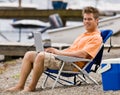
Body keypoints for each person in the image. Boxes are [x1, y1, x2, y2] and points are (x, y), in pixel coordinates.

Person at [6, 6, 102, 92]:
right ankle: (20, 85)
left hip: (73, 65)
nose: (86, 22)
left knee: (41, 56)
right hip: (65, 59)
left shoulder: (96, 38)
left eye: (89, 19)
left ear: (97, 20)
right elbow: (72, 50)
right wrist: (55, 51)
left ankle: (31, 87)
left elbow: (82, 54)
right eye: (85, 19)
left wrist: (58, 53)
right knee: (29, 54)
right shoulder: (84, 35)